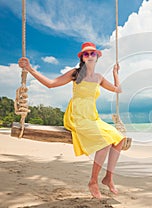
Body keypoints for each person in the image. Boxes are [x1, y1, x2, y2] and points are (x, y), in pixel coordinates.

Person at [18, 42, 125, 199]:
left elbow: (118, 90)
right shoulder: (75, 73)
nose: (89, 56)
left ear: (97, 57)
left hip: (92, 117)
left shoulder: (99, 78)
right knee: (105, 142)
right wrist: (30, 69)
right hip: (77, 116)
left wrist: (115, 73)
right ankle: (93, 182)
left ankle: (108, 177)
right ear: (82, 57)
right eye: (86, 54)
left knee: (119, 140)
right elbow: (51, 84)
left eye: (92, 54)